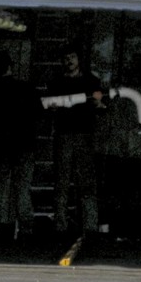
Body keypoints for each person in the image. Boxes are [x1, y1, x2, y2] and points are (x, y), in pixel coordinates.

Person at [0, 53, 43, 239]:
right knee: (22, 189)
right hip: (24, 146)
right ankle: (26, 230)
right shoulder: (27, 89)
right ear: (10, 68)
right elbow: (39, 115)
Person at [46, 49, 103, 239]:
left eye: (72, 56)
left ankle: (88, 227)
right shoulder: (58, 82)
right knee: (63, 182)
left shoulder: (90, 81)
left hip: (82, 135)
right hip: (66, 134)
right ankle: (63, 226)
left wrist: (98, 103)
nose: (69, 60)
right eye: (66, 57)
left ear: (79, 59)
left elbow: (99, 103)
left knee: (84, 182)